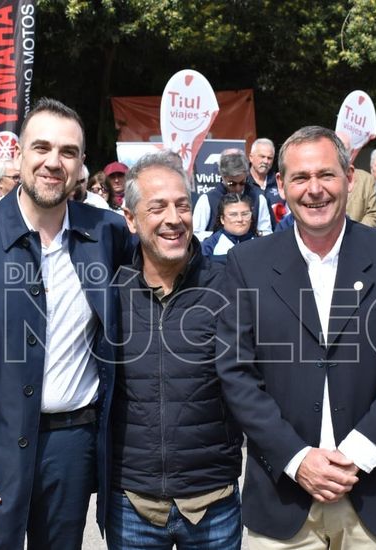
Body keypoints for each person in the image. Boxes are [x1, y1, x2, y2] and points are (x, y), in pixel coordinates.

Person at [216, 126, 376, 549]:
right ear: (281, 184)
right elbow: (236, 372)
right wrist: (298, 459)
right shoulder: (247, 264)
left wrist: (355, 455)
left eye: (326, 175)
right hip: (284, 497)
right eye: (301, 177)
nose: (314, 189)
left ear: (349, 178)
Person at [0, 98, 131, 549]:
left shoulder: (107, 233)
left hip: (71, 448)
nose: (54, 162)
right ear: (18, 155)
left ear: (80, 165)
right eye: (42, 147)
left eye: (68, 152)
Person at [110, 151, 243, 549]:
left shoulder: (229, 285)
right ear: (131, 219)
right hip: (132, 504)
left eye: (182, 205)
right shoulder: (110, 293)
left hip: (213, 502)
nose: (173, 218)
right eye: (157, 208)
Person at [193, 149, 272, 240]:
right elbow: (195, 234)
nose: (238, 188)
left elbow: (267, 232)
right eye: (232, 184)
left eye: (242, 183)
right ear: (222, 177)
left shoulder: (258, 198)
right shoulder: (207, 200)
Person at [202, 193, 259, 262]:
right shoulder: (209, 246)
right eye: (233, 215)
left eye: (245, 214)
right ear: (222, 219)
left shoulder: (261, 244)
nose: (240, 219)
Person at [248, 138, 282, 207]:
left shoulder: (279, 182)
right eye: (262, 157)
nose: (266, 161)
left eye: (269, 158)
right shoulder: (241, 183)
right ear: (251, 157)